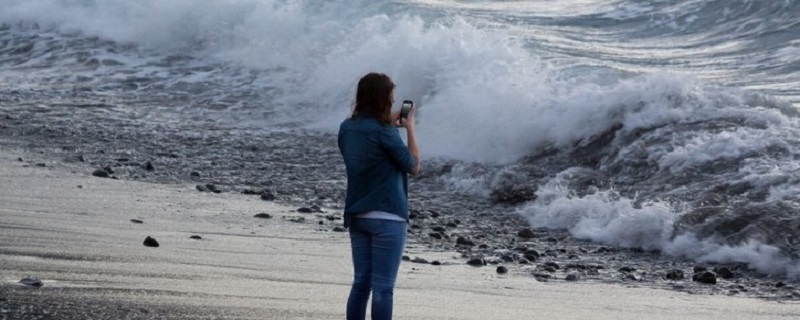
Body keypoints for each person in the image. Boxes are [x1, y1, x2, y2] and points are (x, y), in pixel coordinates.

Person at [338, 72, 421, 320]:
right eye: (391, 99)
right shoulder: (385, 132)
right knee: (383, 287)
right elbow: (414, 166)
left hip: (357, 213)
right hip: (387, 215)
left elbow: (367, 153)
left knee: (360, 284)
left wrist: (388, 126)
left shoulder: (347, 127)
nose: (393, 103)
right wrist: (410, 130)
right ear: (383, 99)